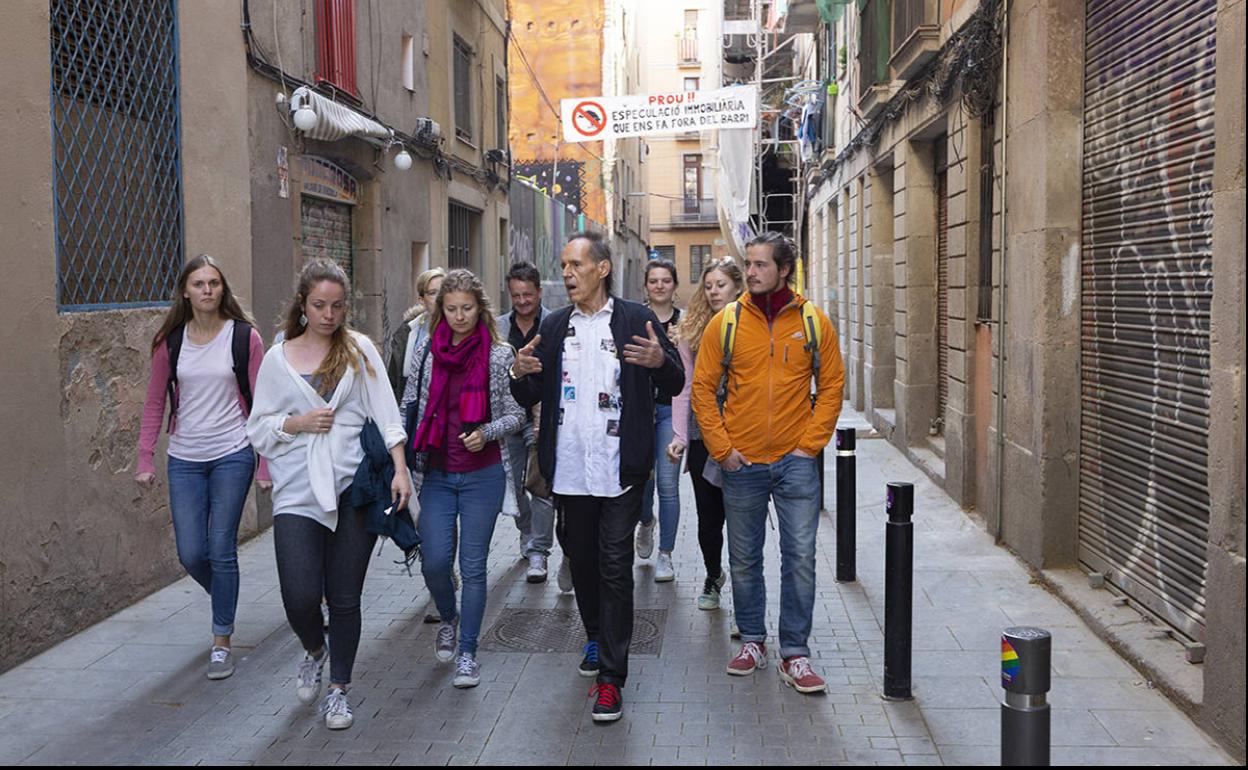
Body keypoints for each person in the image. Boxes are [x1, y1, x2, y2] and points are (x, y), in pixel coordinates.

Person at [510, 231, 684, 723]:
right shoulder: (556, 324)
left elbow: (673, 381)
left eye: (575, 265)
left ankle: (612, 678)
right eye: (563, 266)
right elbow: (529, 394)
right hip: (568, 471)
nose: (566, 274)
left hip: (621, 471)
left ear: (602, 269)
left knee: (614, 566)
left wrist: (660, 362)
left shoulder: (634, 319)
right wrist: (519, 376)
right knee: (582, 562)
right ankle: (593, 637)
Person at [247, 258, 411, 730]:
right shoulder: (278, 360)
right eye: (319, 305)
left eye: (338, 306)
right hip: (298, 492)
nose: (329, 314)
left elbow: (388, 415)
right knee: (299, 596)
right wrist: (296, 423)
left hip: (353, 491)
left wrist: (400, 471)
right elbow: (257, 428)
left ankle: (339, 689)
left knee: (344, 598)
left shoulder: (359, 351)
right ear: (303, 304)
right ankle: (314, 649)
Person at [690, 232, 844, 695]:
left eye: (759, 265)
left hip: (796, 462)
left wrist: (810, 445)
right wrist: (723, 449)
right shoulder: (727, 323)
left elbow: (833, 384)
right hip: (742, 463)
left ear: (783, 270)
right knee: (744, 560)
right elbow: (702, 388)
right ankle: (753, 641)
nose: (751, 272)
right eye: (749, 264)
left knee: (800, 559)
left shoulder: (814, 322)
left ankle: (794, 653)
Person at [135, 253, 269, 681]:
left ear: (222, 289)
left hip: (233, 451)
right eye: (199, 283)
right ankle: (224, 598)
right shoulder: (169, 342)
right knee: (192, 552)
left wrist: (264, 464)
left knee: (221, 545)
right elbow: (156, 400)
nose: (207, 290)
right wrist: (144, 458)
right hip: (185, 458)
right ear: (185, 291)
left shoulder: (244, 338)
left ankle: (221, 641)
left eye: (214, 283)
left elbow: (265, 405)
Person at [401, 268, 523, 689]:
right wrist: (398, 457)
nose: (458, 316)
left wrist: (486, 433)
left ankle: (468, 652)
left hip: (481, 476)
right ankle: (448, 618)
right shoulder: (427, 354)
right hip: (434, 474)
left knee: (473, 568)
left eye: (466, 308)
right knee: (434, 562)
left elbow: (517, 414)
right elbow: (407, 407)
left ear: (479, 307)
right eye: (450, 309)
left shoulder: (498, 354)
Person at [667, 257, 744, 611]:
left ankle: (746, 599)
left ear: (737, 286)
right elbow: (683, 387)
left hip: (744, 432)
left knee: (743, 518)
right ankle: (713, 575)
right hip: (702, 433)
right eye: (709, 285)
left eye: (721, 285)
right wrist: (681, 435)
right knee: (708, 516)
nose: (714, 291)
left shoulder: (751, 323)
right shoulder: (692, 328)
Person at [496, 261, 562, 585]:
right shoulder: (497, 328)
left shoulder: (554, 324)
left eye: (528, 294)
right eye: (516, 295)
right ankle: (527, 531)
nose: (522, 301)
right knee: (512, 487)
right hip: (506, 419)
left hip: (542, 417)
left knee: (540, 485)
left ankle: (539, 551)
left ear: (538, 292)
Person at [635, 259, 682, 582]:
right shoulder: (636, 319)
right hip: (638, 411)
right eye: (654, 280)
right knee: (641, 485)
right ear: (646, 285)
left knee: (667, 485)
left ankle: (666, 554)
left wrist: (680, 346)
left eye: (666, 280)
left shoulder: (686, 322)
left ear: (674, 286)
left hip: (670, 410)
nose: (660, 286)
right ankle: (646, 522)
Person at [388, 267, 446, 405]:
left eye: (444, 291)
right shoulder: (407, 333)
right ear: (422, 300)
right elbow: (394, 382)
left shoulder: (463, 331)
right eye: (432, 293)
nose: (439, 298)